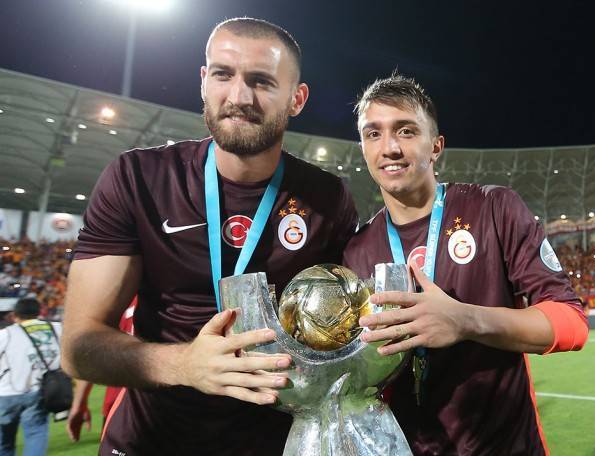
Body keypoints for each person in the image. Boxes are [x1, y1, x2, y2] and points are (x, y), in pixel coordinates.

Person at [61, 17, 358, 456]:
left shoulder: (327, 199)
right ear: (203, 81)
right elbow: (78, 347)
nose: (238, 97)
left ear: (297, 99)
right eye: (223, 74)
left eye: (261, 81)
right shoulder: (138, 178)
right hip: (150, 440)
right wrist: (186, 365)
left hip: (268, 442)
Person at [343, 73, 589, 455]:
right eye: (373, 134)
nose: (389, 147)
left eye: (406, 131)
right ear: (362, 147)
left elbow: (572, 324)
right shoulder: (356, 250)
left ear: (436, 146)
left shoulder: (494, 208)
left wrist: (465, 320)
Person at [66, 299, 137, 442]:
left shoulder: (116, 301)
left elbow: (91, 354)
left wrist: (79, 403)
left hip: (119, 405)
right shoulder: (177, 300)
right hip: (165, 405)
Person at [0, 297, 62, 456]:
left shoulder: (6, 334)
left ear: (14, 315)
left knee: (4, 442)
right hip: (41, 391)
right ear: (39, 311)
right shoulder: (56, 328)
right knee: (36, 434)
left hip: (7, 392)